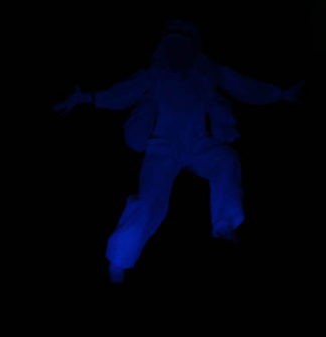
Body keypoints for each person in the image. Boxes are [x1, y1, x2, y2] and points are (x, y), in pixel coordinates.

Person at [54, 19, 303, 281]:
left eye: (184, 46)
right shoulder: (154, 76)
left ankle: (224, 222)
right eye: (173, 46)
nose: (178, 53)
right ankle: (119, 259)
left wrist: (281, 94)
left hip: (198, 144)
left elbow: (243, 86)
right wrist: (86, 97)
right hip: (163, 148)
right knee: (150, 202)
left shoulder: (208, 73)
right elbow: (121, 93)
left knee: (226, 158)